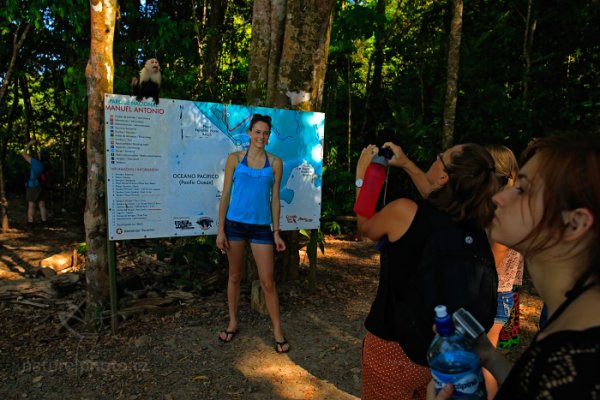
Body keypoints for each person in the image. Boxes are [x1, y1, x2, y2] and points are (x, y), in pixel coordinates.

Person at [430, 132, 600, 399]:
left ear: (575, 223)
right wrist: (491, 358)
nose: (499, 198)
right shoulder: (575, 316)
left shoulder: (582, 364)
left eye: (522, 189)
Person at [355, 142, 500, 399]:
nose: (434, 160)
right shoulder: (476, 226)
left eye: (439, 157)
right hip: (439, 355)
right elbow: (433, 199)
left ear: (443, 176)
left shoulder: (403, 211)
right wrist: (407, 164)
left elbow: (365, 225)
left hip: (391, 347)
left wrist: (363, 178)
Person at [216, 113, 290, 353]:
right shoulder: (235, 159)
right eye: (257, 131)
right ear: (249, 133)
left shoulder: (275, 163)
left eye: (265, 133)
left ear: (269, 137)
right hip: (234, 226)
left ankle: (277, 331)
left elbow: (275, 200)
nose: (261, 136)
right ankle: (233, 322)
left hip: (261, 228)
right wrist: (220, 231)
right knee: (235, 276)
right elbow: (225, 195)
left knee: (268, 281)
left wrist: (276, 232)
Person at [21, 139, 48, 227]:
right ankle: (44, 222)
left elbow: (23, 154)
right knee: (42, 204)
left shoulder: (35, 162)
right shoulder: (47, 164)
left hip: (33, 186)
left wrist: (29, 144)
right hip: (42, 186)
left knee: (31, 205)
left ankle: (30, 222)